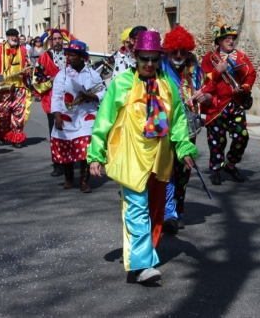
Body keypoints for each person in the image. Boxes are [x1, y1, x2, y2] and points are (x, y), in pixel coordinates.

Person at [88, 30, 198, 284]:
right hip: (130, 158)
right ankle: (142, 265)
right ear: (135, 57)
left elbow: (178, 121)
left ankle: (145, 255)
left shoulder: (167, 85)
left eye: (154, 59)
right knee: (136, 209)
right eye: (144, 59)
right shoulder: (122, 83)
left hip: (159, 160)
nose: (149, 64)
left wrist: (184, 149)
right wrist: (96, 154)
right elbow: (103, 120)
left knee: (156, 211)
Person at [160, 26, 213, 233]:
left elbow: (210, 98)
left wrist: (204, 97)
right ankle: (164, 212)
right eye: (175, 51)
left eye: (184, 51)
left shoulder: (195, 70)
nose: (179, 55)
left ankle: (177, 212)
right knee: (164, 171)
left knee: (183, 171)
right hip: (164, 129)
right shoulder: (160, 69)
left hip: (188, 130)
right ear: (168, 51)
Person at [200, 22, 256, 185]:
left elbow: (250, 75)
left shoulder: (241, 57)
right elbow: (204, 82)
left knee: (242, 136)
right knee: (217, 140)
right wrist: (218, 71)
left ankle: (231, 164)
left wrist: (245, 87)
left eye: (232, 39)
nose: (231, 41)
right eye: (227, 39)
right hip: (217, 106)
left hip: (235, 104)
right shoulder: (209, 59)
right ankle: (216, 169)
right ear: (219, 41)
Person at [51, 40, 106, 192]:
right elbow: (56, 96)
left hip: (86, 117)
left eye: (73, 55)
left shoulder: (93, 75)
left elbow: (103, 92)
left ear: (82, 57)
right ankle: (68, 179)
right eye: (69, 55)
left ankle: (84, 181)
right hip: (66, 117)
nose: (70, 58)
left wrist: (91, 96)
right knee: (67, 148)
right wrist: (57, 116)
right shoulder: (61, 75)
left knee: (85, 149)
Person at [33, 28, 74, 176]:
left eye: (59, 39)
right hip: (52, 101)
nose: (57, 41)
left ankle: (69, 161)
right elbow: (37, 78)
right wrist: (51, 79)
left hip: (70, 101)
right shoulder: (44, 57)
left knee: (70, 132)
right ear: (50, 42)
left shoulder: (70, 56)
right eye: (54, 39)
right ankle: (57, 164)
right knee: (55, 133)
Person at [0, 28, 32, 148]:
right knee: (3, 114)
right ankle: (2, 135)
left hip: (19, 86)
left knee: (19, 113)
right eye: (11, 35)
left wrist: (26, 72)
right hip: (3, 86)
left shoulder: (23, 50)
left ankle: (16, 137)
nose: (14, 38)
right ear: (7, 37)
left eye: (15, 35)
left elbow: (28, 66)